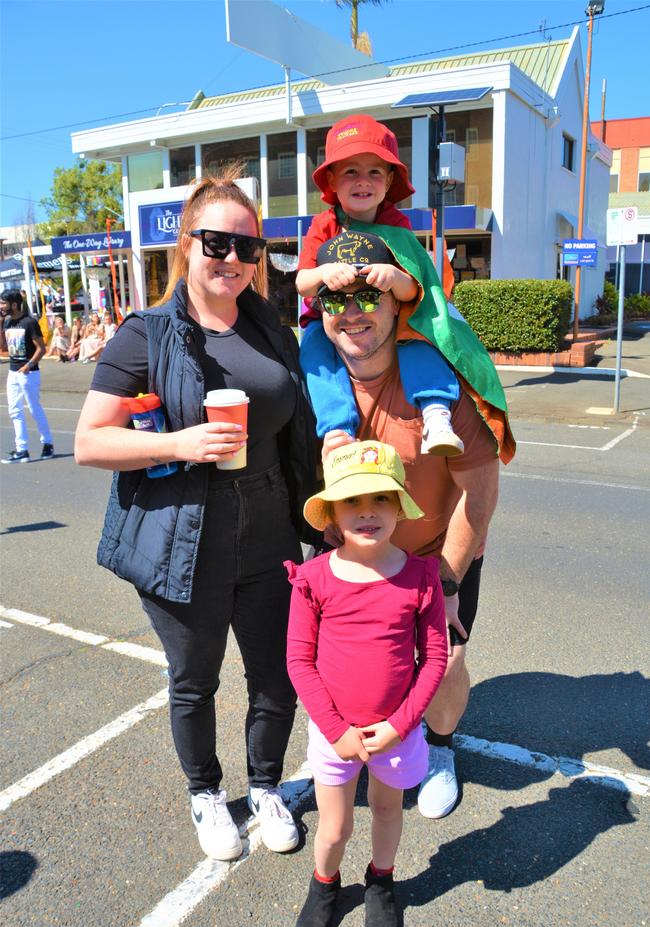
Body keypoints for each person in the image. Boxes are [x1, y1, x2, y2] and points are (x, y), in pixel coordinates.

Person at [74, 169, 319, 862]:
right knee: (196, 678)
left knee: (276, 674)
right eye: (217, 242)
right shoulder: (147, 335)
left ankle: (267, 786)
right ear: (186, 244)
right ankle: (206, 794)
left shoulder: (271, 329)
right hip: (185, 532)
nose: (234, 260)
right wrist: (178, 444)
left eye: (249, 249)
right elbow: (91, 442)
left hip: (270, 525)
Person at [312, 231, 515, 821]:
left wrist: (444, 585)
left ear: (398, 302)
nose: (352, 313)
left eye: (367, 297)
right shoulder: (315, 385)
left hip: (434, 553)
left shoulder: (439, 380)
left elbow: (482, 491)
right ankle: (345, 747)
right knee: (352, 662)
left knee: (443, 662)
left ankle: (442, 748)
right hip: (351, 554)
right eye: (336, 300)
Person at [286, 440, 448, 927]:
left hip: (396, 731)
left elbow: (435, 659)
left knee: (387, 811)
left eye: (380, 499)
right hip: (334, 737)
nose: (367, 513)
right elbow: (299, 661)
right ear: (332, 512)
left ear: (400, 505)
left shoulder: (422, 577)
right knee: (333, 831)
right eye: (352, 502)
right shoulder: (314, 579)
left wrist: (400, 724)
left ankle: (382, 880)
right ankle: (325, 884)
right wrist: (336, 732)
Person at [296, 114, 463, 456]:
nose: (363, 181)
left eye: (374, 171)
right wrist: (324, 275)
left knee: (418, 341)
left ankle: (435, 412)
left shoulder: (397, 225)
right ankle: (337, 430)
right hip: (328, 317)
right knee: (314, 356)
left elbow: (415, 291)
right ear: (332, 180)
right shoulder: (323, 224)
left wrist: (394, 277)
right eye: (350, 171)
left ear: (389, 181)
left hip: (388, 318)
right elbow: (302, 283)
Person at [0, 289, 55, 463]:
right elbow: (4, 348)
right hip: (12, 372)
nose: (1, 306)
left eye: (3, 303)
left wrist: (28, 365)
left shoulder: (29, 322)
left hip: (29, 373)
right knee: (14, 410)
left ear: (14, 304)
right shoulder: (7, 322)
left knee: (33, 408)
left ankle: (47, 443)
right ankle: (21, 449)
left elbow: (41, 348)